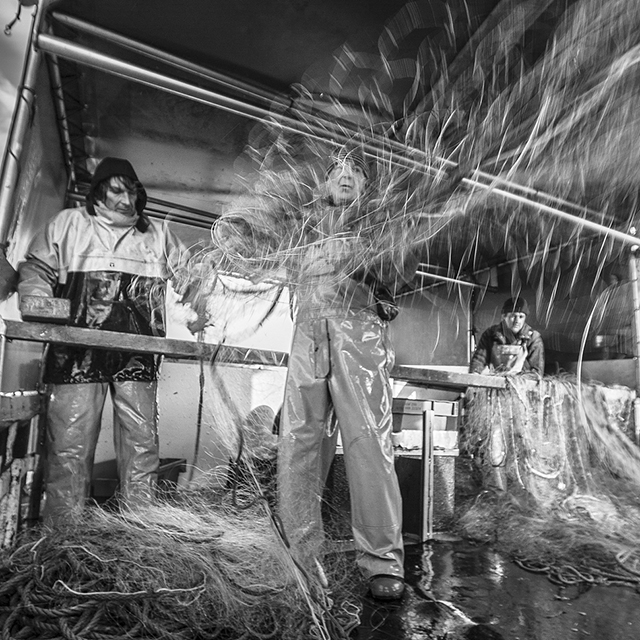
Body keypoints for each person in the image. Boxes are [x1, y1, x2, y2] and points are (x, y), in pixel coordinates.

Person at [216, 146, 418, 600]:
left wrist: (372, 263)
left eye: (356, 171)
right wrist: (235, 242)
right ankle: (298, 555)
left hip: (359, 338)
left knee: (369, 444)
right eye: (337, 169)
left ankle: (382, 561)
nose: (346, 175)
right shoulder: (303, 225)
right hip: (308, 338)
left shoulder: (382, 222)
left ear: (367, 185)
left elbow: (400, 271)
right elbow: (260, 258)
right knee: (299, 446)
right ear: (324, 183)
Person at [17, 157, 186, 525]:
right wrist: (37, 300)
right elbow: (36, 269)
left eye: (132, 190)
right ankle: (62, 536)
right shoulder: (69, 224)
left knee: (141, 447)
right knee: (69, 445)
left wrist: (206, 310)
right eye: (116, 189)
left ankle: (139, 530)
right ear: (99, 190)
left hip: (137, 354)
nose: (126, 198)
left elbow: (194, 275)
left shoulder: (158, 235)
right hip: (76, 350)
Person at [469, 296, 545, 376]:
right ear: (503, 316)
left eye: (521, 317)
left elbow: (536, 373)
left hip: (522, 385)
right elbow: (479, 361)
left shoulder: (533, 338)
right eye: (513, 316)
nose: (517, 321)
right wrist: (474, 374)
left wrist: (514, 379)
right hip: (496, 383)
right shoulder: (490, 334)